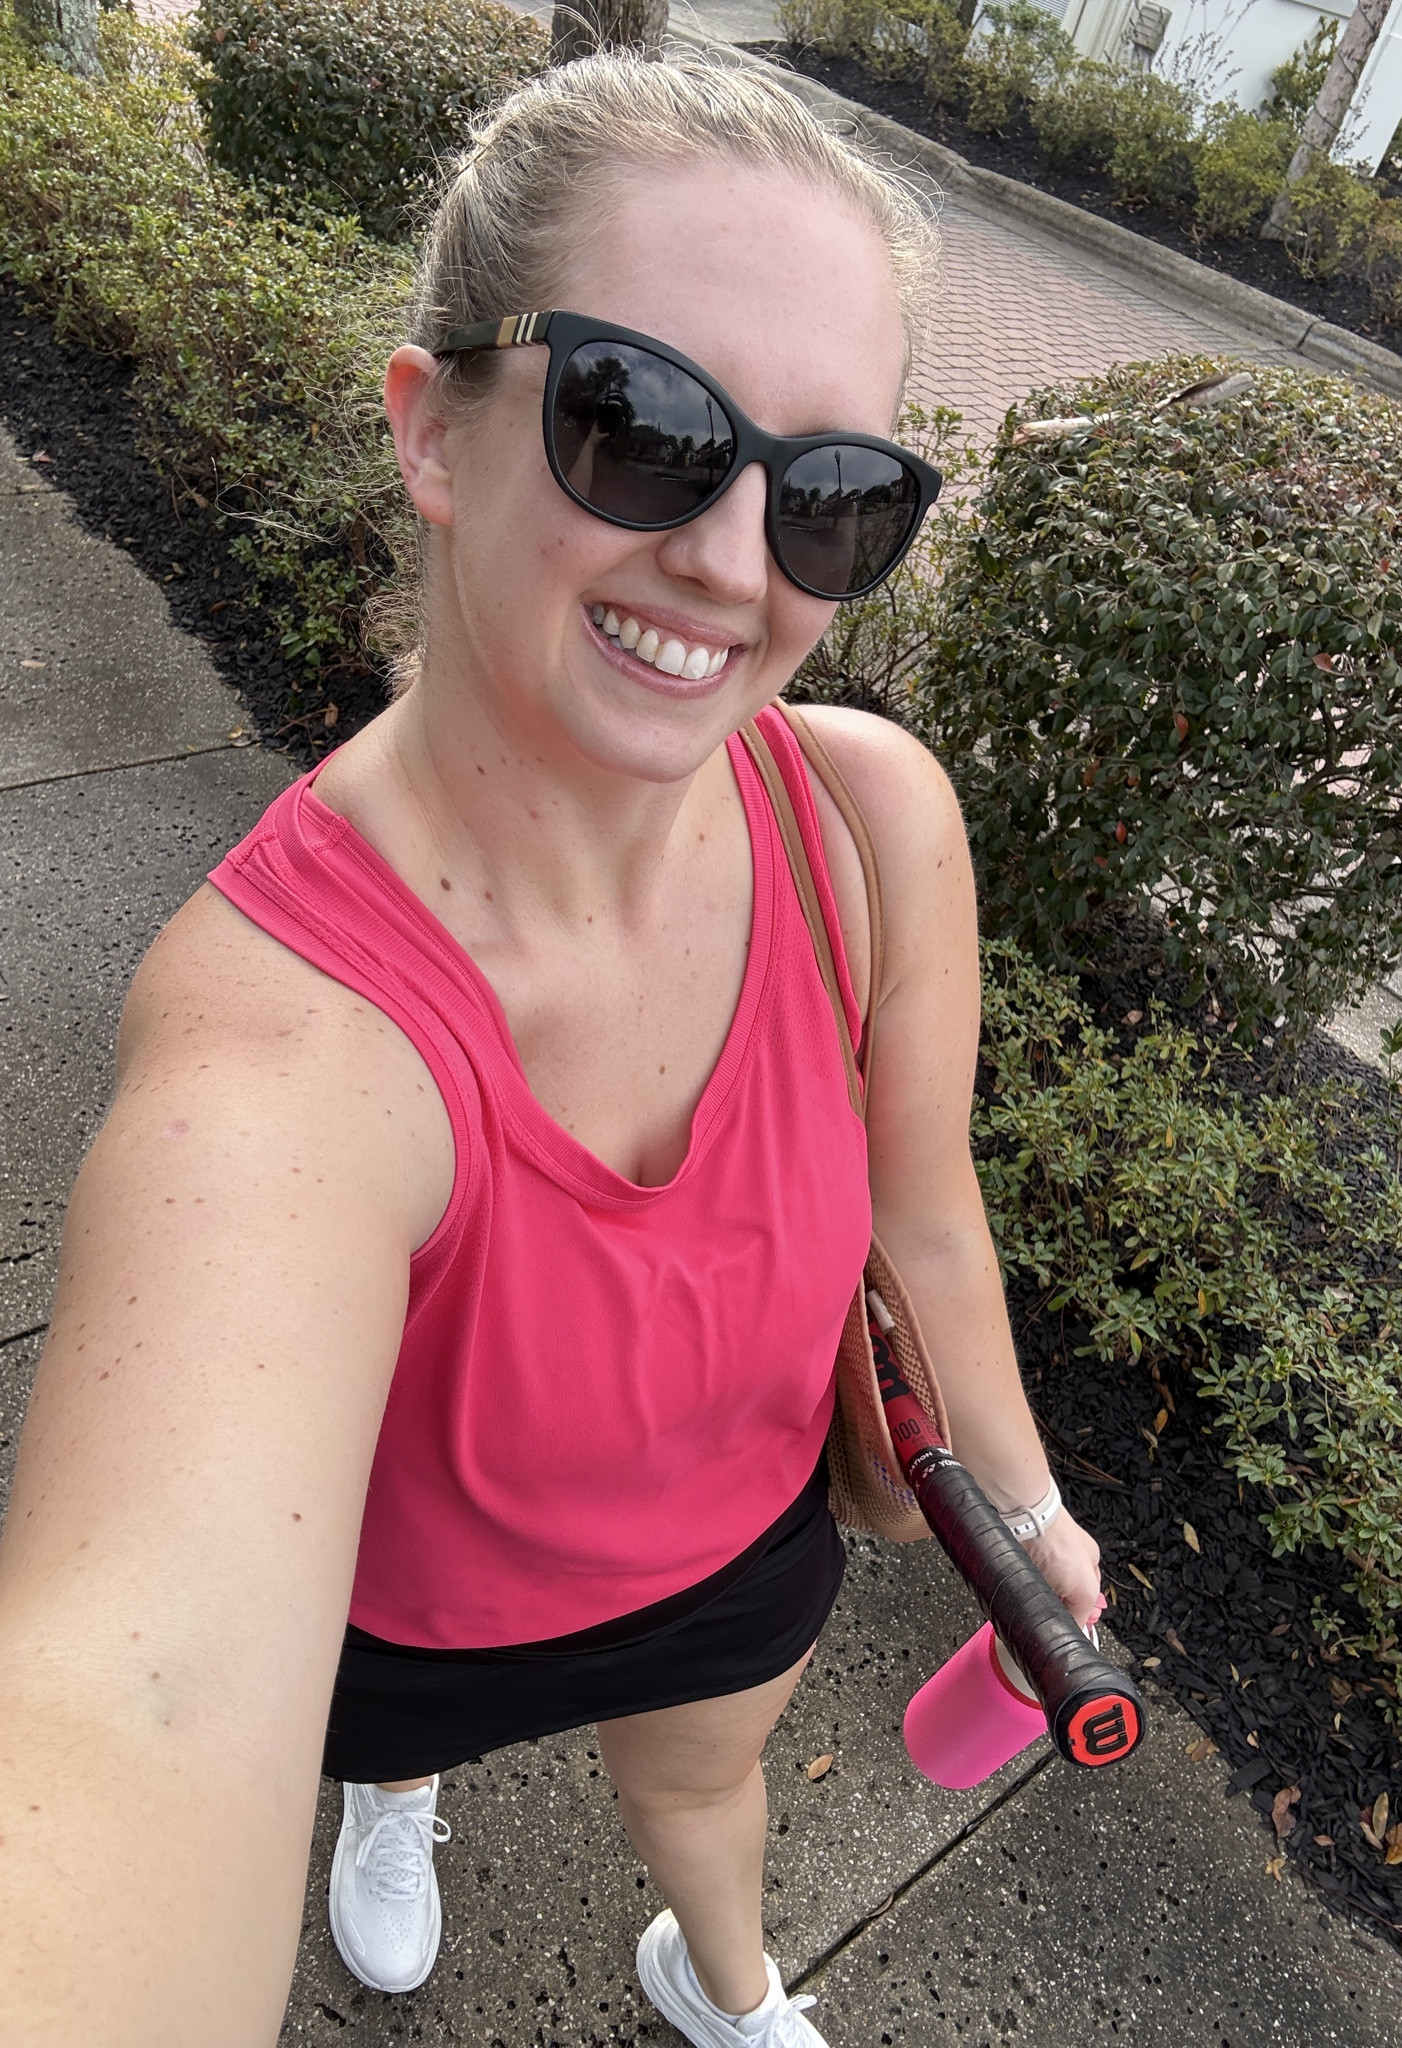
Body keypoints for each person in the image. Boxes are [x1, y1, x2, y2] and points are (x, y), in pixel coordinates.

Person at [0, 51, 1101, 2048]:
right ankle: (395, 1795)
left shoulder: (868, 826)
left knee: (705, 1788)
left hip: (738, 1552)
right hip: (402, 1627)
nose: (734, 559)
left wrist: (1027, 1523)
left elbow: (929, 1226)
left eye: (833, 494)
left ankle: (730, 1975)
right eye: (641, 422)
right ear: (434, 431)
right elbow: (137, 1695)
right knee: (392, 1743)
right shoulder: (288, 1038)